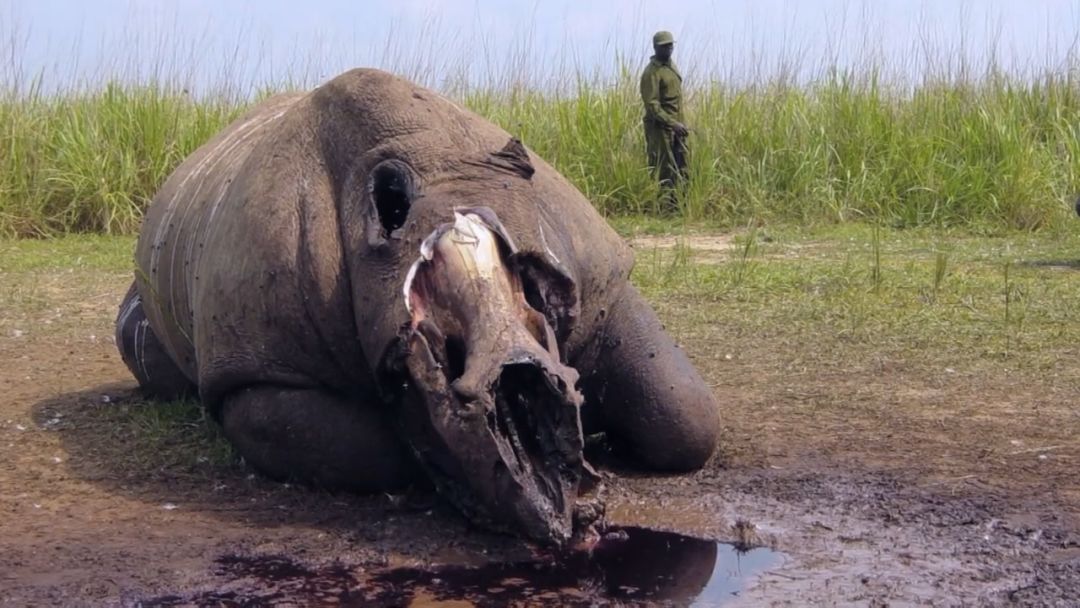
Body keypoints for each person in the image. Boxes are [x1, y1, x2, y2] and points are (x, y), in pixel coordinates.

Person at [640, 30, 689, 209]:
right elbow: (652, 106)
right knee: (664, 167)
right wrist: (671, 123)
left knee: (682, 165)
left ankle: (681, 205)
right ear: (655, 48)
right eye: (664, 46)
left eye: (670, 45)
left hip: (678, 127)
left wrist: (679, 124)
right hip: (660, 128)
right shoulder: (651, 73)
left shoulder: (671, 66)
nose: (668, 49)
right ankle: (666, 208)